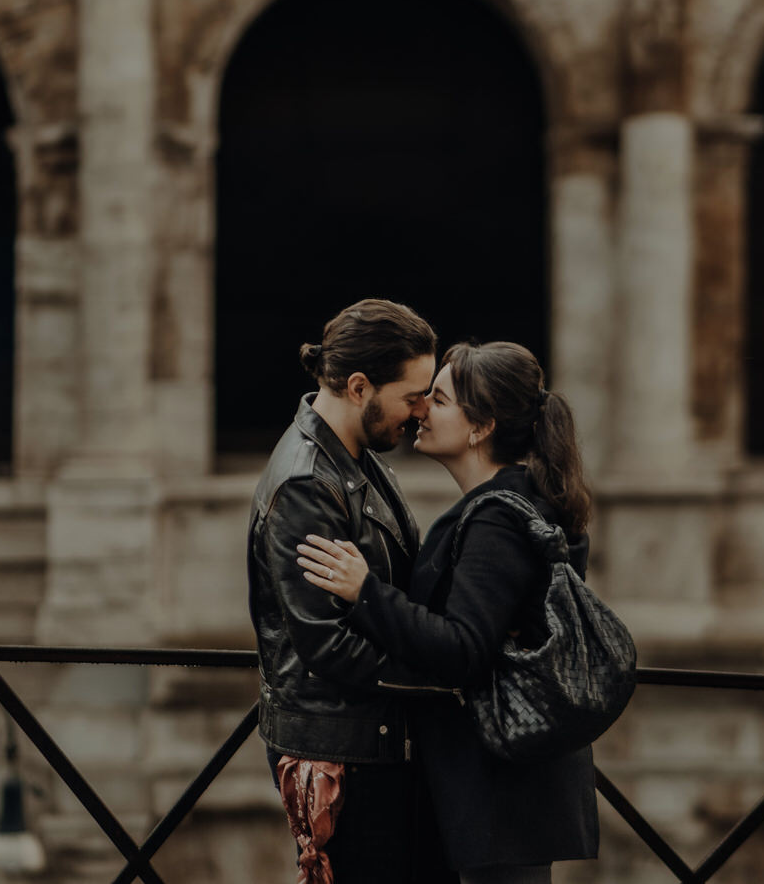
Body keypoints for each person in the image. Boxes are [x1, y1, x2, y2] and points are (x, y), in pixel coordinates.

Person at [296, 341, 599, 884]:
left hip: (498, 792)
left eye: (437, 400)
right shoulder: (521, 502)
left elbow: (463, 650)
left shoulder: (497, 522)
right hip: (508, 785)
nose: (419, 410)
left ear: (480, 426)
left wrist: (366, 591)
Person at [247, 298, 439, 884]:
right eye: (413, 395)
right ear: (359, 387)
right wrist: (440, 672)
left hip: (370, 739)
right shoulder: (309, 482)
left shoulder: (352, 454)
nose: (422, 411)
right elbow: (325, 644)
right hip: (346, 752)